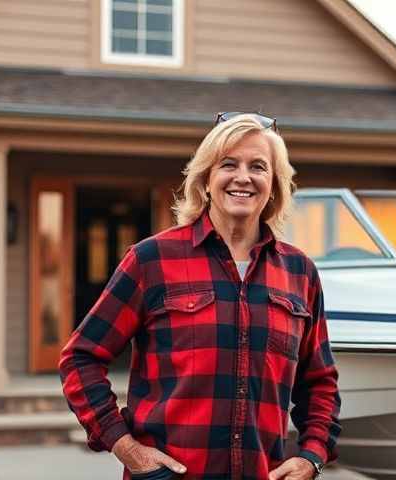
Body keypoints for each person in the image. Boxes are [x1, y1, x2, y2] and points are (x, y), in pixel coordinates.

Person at [58, 112, 341, 480]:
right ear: (207, 179)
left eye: (258, 166)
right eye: (228, 164)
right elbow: (80, 359)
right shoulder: (151, 260)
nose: (243, 177)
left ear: (274, 184)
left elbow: (320, 382)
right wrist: (125, 447)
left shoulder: (300, 273)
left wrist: (312, 457)